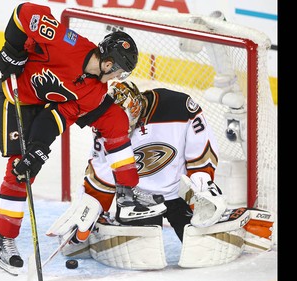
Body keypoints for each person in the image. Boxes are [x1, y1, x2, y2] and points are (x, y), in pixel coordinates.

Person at [0, 2, 166, 275]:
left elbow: (56, 118)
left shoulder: (94, 91)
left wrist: (37, 150)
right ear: (108, 63)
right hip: (15, 99)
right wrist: (12, 50)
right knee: (18, 171)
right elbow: (25, 11)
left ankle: (127, 190)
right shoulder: (65, 43)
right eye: (119, 70)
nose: (119, 77)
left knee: (115, 118)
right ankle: (2, 240)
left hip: (44, 106)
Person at [47, 81, 274, 270]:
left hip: (179, 193)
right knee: (141, 254)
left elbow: (201, 147)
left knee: (200, 246)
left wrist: (202, 184)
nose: (119, 128)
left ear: (135, 108)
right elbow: (101, 169)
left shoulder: (179, 106)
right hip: (139, 199)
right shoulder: (106, 125)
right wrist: (91, 204)